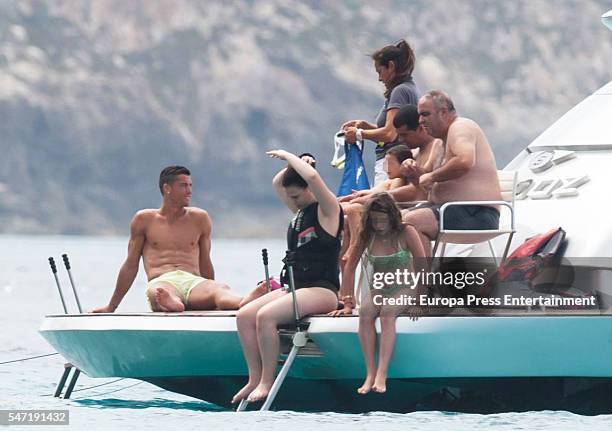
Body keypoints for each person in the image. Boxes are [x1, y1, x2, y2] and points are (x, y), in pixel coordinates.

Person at [231, 150, 342, 404]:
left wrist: (288, 156)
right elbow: (277, 183)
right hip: (295, 286)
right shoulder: (300, 210)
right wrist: (297, 165)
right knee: (245, 315)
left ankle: (267, 383)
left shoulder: (328, 210)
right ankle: (253, 378)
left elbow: (313, 177)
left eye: (296, 195)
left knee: (265, 317)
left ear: (309, 190)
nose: (292, 200)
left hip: (322, 290)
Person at [92, 166, 242, 313]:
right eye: (183, 186)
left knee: (221, 290)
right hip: (163, 280)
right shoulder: (144, 219)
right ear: (167, 188)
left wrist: (209, 291)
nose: (189, 191)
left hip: (193, 282)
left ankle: (246, 300)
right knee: (158, 292)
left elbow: (205, 261)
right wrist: (111, 306)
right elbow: (131, 264)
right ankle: (173, 304)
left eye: (190, 185)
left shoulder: (200, 218)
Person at [330, 193, 425, 394]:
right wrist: (347, 302)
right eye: (374, 220)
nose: (379, 225)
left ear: (392, 217)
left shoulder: (406, 231)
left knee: (387, 313)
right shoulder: (367, 235)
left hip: (405, 286)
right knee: (365, 312)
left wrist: (419, 300)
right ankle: (370, 374)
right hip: (380, 287)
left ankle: (382, 374)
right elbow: (349, 266)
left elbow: (422, 265)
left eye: (383, 220)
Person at [402, 91, 502, 256]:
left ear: (443, 112)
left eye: (425, 114)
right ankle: (418, 276)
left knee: (411, 222)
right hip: (446, 209)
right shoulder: (439, 142)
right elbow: (424, 181)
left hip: (477, 213)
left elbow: (464, 161)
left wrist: (432, 176)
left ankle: (425, 280)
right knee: (394, 219)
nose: (420, 121)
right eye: (419, 115)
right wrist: (412, 171)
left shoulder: (461, 127)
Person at [341, 39, 420, 185]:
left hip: (391, 162)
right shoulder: (409, 88)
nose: (379, 78)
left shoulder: (400, 92)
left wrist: (359, 134)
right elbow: (392, 131)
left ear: (390, 66)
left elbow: (390, 134)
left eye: (380, 71)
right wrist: (366, 126)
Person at [339, 144, 414, 262]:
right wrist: (358, 195)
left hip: (382, 209)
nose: (387, 168)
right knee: (343, 207)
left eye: (390, 164)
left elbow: (387, 198)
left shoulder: (398, 180)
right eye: (386, 164)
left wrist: (360, 199)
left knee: (353, 209)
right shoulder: (388, 180)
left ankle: (355, 244)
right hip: (371, 203)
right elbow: (372, 191)